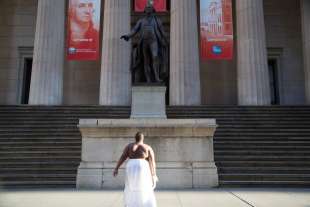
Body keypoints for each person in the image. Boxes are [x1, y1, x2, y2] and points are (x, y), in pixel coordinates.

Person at [121, 3, 169, 84]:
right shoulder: (141, 21)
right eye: (147, 8)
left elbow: (162, 32)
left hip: (153, 41)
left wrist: (165, 40)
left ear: (153, 10)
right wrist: (128, 36)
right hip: (144, 42)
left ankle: (157, 77)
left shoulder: (157, 21)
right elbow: (134, 30)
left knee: (155, 56)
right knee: (146, 61)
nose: (148, 9)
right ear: (145, 10)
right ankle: (148, 80)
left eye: (150, 8)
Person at [113, 132, 158, 207]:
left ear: (135, 138)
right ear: (143, 138)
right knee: (144, 185)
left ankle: (132, 204)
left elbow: (123, 157)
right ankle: (144, 204)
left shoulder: (129, 146)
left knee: (131, 186)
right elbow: (152, 162)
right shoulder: (147, 147)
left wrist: (116, 168)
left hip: (131, 165)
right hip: (142, 166)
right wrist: (154, 174)